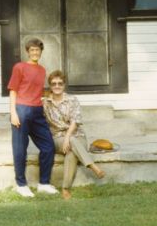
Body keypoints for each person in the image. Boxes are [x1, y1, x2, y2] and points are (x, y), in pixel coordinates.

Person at [42, 70, 105, 200]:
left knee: (71, 153)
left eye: (60, 83)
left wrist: (68, 138)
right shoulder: (45, 103)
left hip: (77, 136)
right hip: (58, 138)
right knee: (71, 142)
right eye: (54, 84)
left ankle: (65, 189)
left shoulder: (72, 100)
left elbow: (75, 122)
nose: (57, 86)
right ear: (50, 86)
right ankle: (92, 166)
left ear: (64, 85)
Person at [7, 38, 58, 197]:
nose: (35, 52)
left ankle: (44, 183)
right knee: (20, 148)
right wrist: (13, 112)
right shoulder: (19, 67)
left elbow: (37, 90)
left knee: (48, 146)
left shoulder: (42, 70)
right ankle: (21, 185)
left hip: (37, 111)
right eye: (32, 50)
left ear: (41, 52)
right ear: (28, 52)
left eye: (37, 50)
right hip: (21, 110)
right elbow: (13, 90)